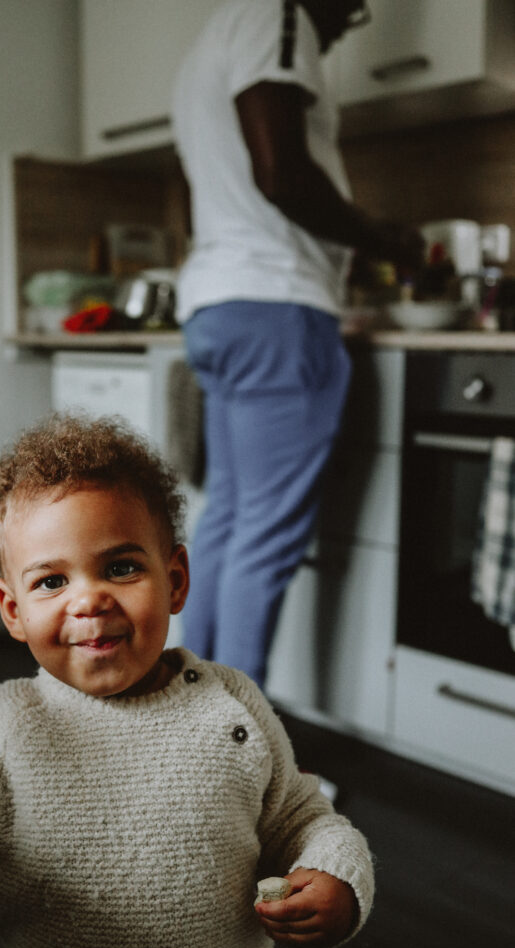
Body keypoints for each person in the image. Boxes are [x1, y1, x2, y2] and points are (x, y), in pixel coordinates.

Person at [0, 413, 375, 948]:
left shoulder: (231, 705)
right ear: (12, 610)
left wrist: (336, 875)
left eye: (120, 567)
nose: (88, 599)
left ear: (174, 581)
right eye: (52, 581)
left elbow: (302, 817)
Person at [172, 0, 425, 687]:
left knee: (227, 518)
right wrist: (385, 239)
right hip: (275, 306)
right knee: (264, 538)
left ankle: (193, 729)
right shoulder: (274, 14)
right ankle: (239, 757)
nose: (351, 19)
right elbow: (281, 174)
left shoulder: (216, 34)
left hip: (219, 304)